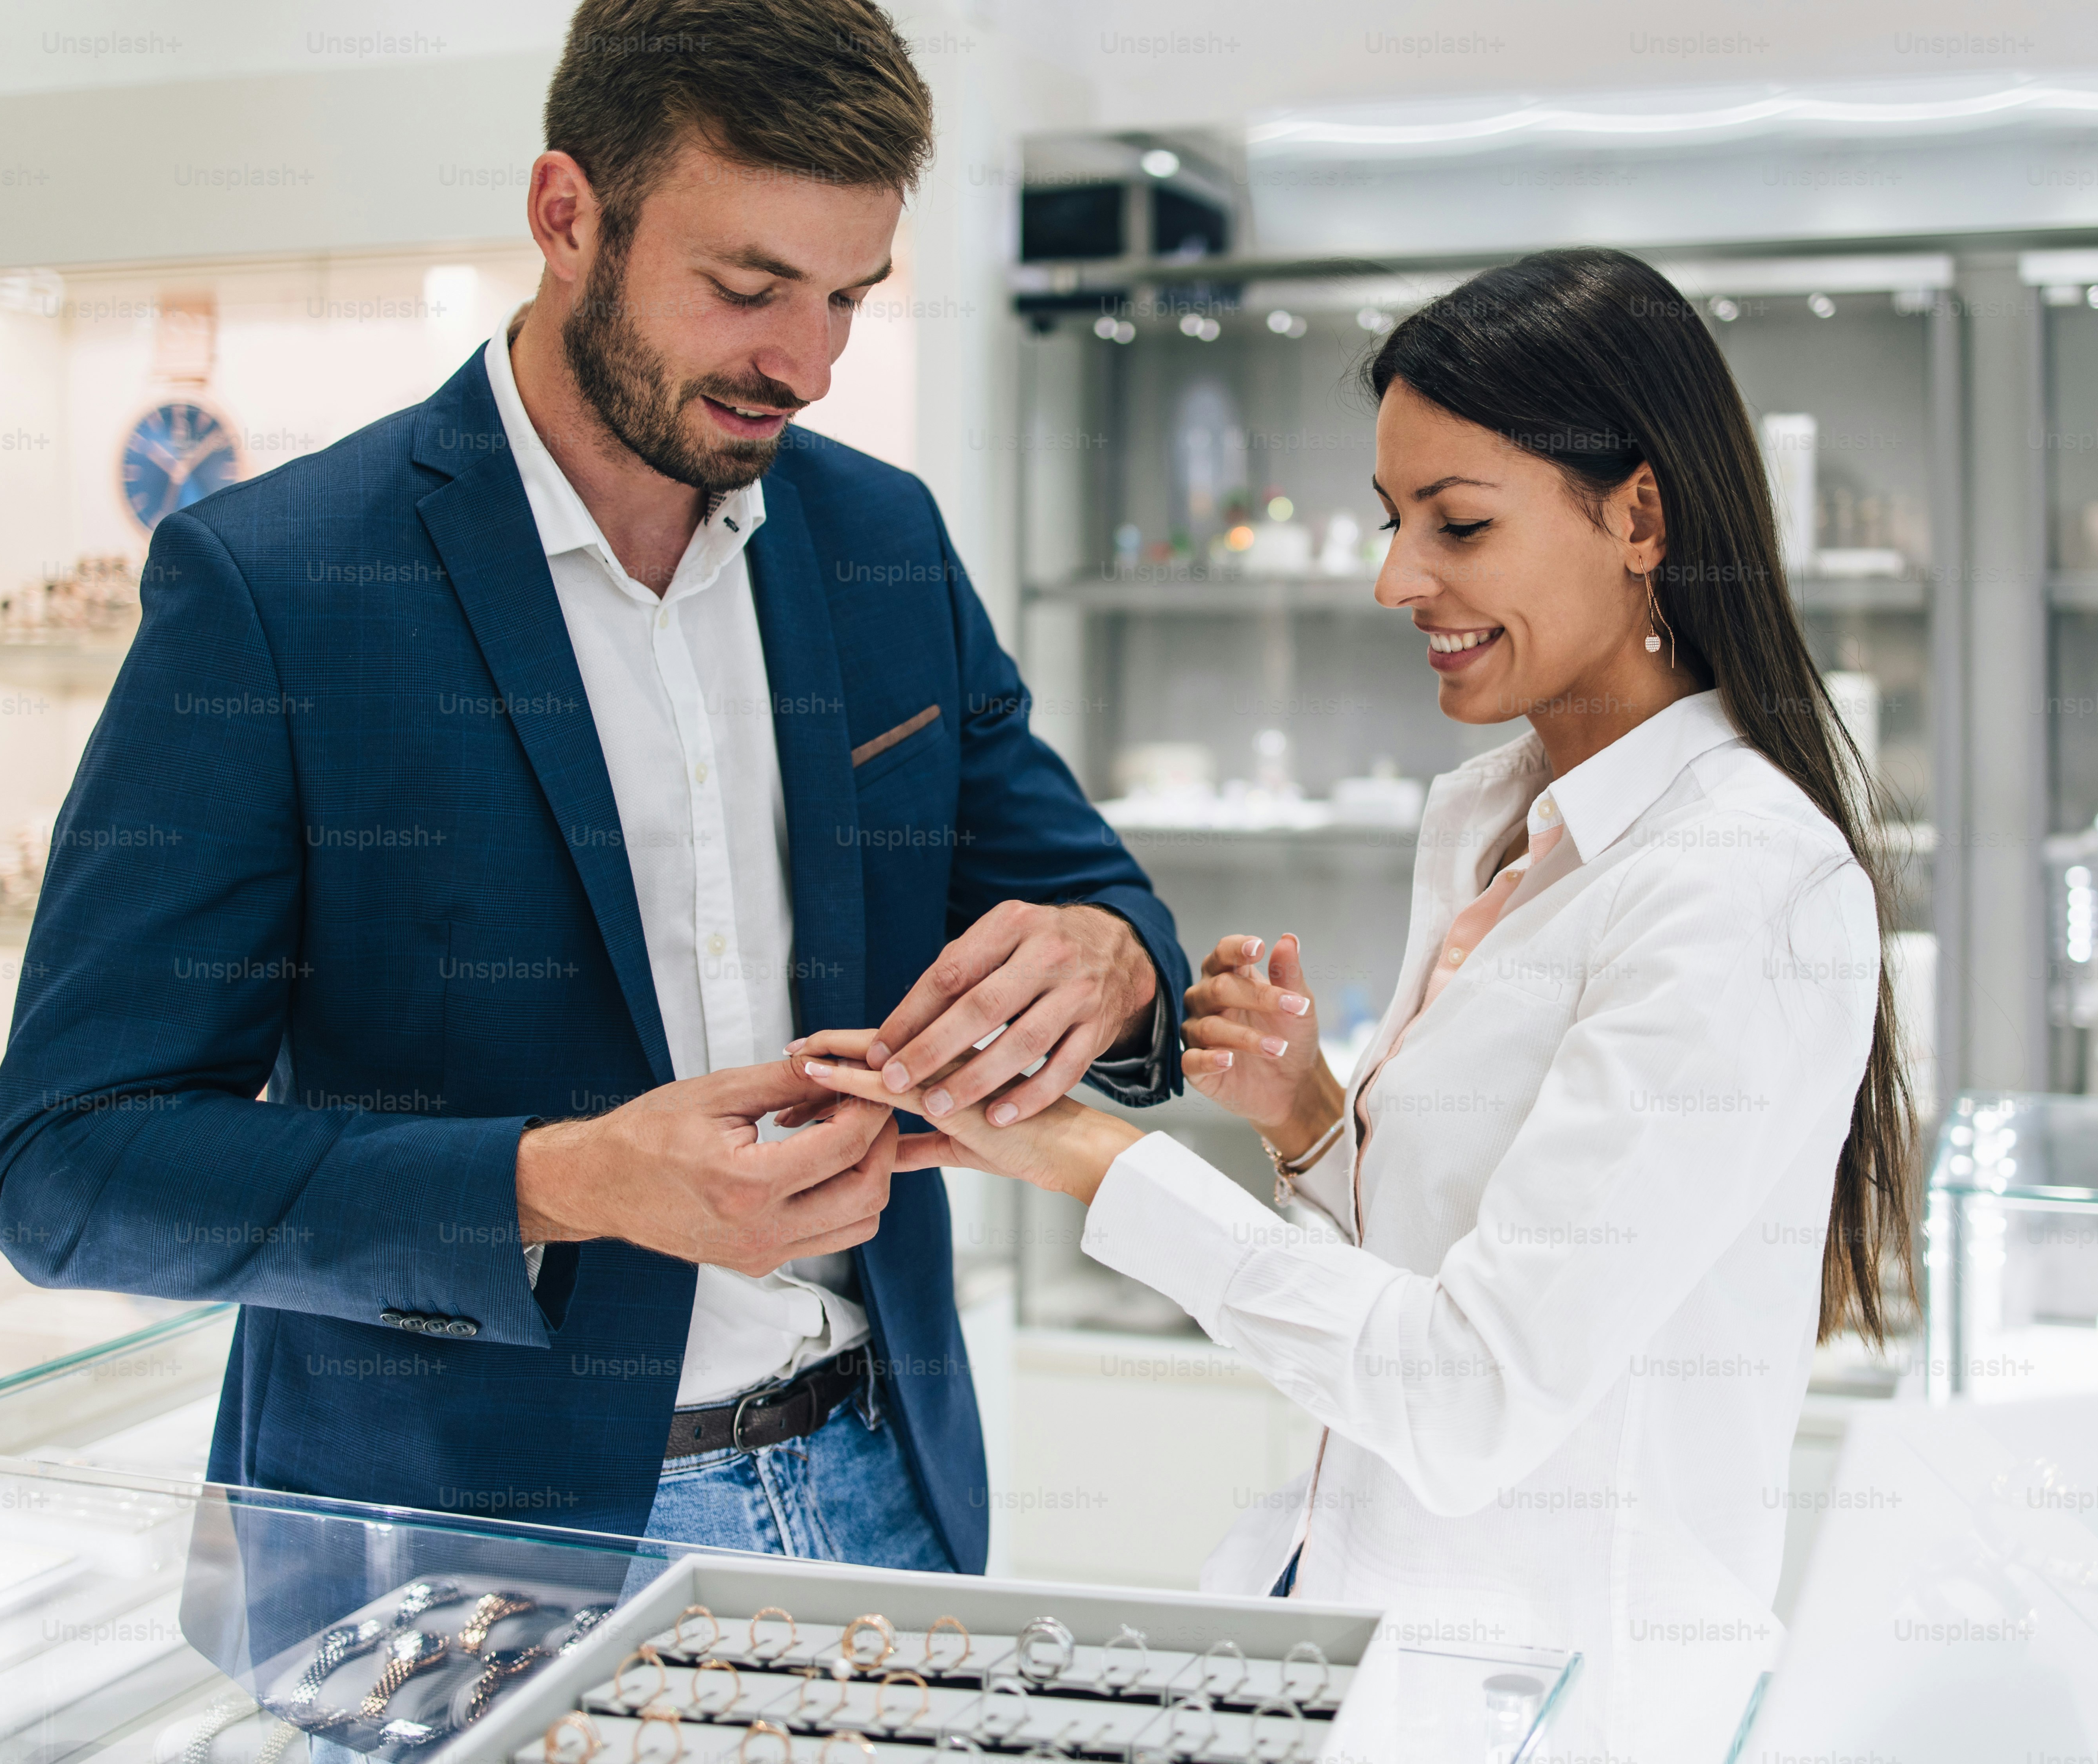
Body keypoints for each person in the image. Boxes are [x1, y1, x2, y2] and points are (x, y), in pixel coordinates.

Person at [0, 0, 1187, 1580]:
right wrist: (568, 1180)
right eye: (747, 289)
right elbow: (71, 1169)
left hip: (882, 1492)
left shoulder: (879, 538)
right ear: (568, 216)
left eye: (848, 297)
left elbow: (1100, 899)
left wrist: (1113, 956)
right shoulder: (279, 586)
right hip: (453, 1549)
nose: (807, 365)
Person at [794, 248, 1920, 1752]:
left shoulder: (1739, 889)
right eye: (1396, 522)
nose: (1398, 578)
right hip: (1368, 1655)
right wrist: (1317, 1126)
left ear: (1640, 515)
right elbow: (1423, 1289)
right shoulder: (1493, 824)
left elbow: (1469, 1397)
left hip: (1569, 1703)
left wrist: (1086, 1154)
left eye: (1459, 524)